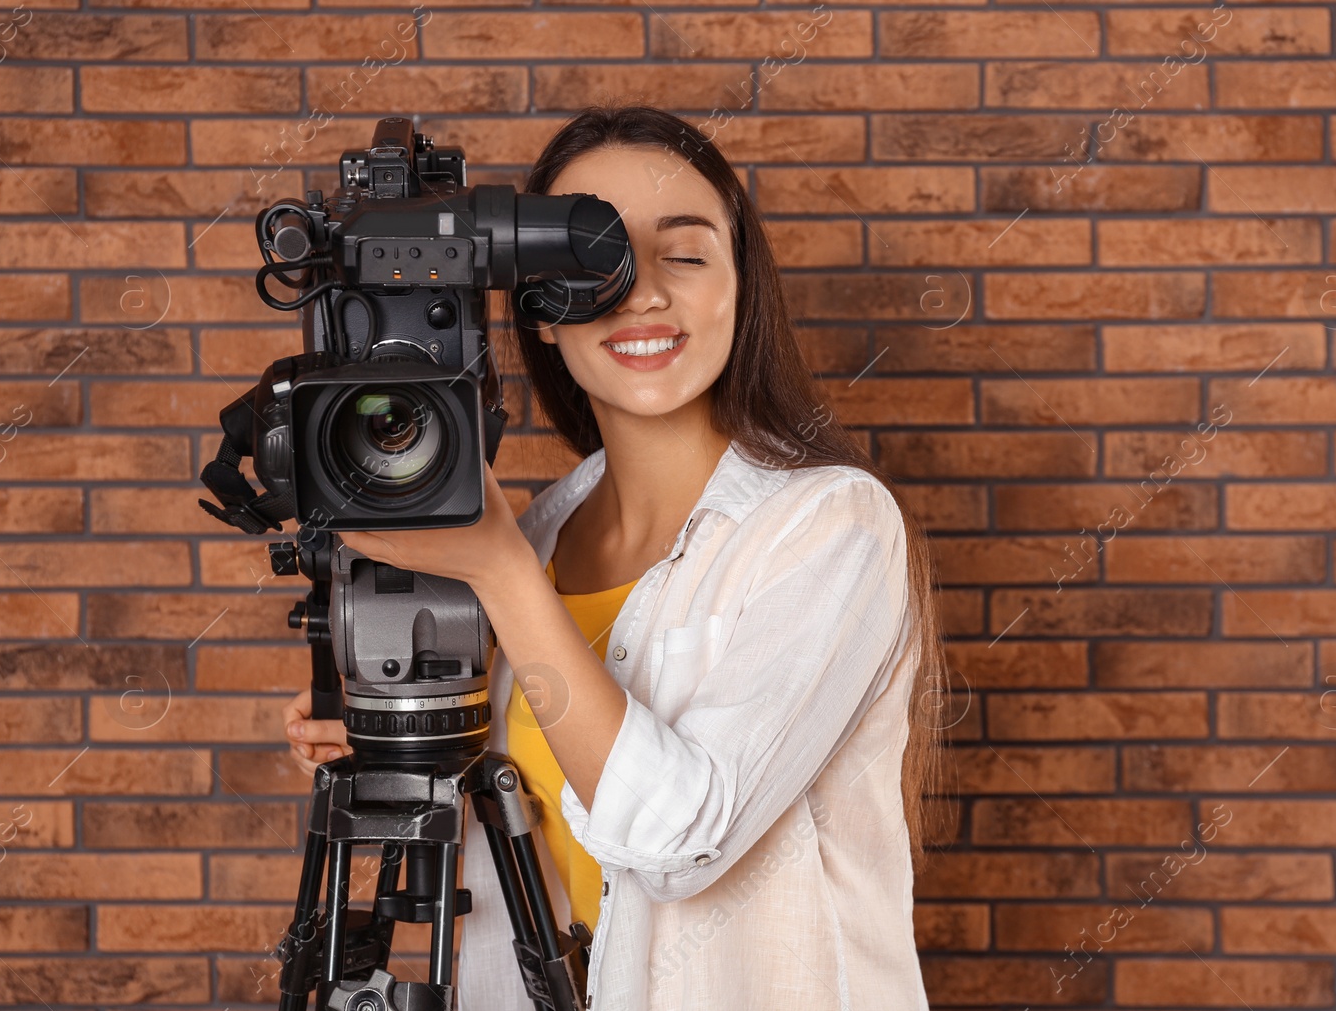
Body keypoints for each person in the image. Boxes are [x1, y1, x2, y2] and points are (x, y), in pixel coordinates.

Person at [281, 103, 954, 1011]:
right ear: (542, 317)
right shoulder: (543, 532)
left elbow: (684, 843)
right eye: (591, 261)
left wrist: (503, 572)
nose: (640, 293)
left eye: (684, 254)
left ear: (740, 286)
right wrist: (388, 731)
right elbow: (516, 813)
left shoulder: (832, 526)